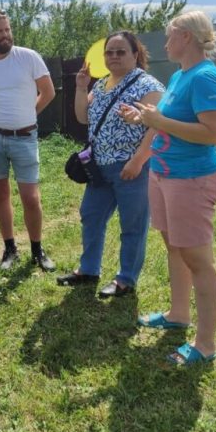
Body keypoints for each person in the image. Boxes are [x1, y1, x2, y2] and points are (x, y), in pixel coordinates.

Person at [121, 11, 216, 366]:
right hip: (166, 176)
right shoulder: (182, 75)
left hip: (191, 180)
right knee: (175, 248)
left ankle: (206, 345)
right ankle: (179, 314)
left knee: (198, 259)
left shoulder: (205, 77)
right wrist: (142, 118)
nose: (165, 43)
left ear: (185, 36)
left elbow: (214, 133)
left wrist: (158, 119)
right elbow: (168, 124)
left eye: (169, 36)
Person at [56, 31, 164, 298]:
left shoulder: (148, 86)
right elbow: (83, 118)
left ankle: (126, 279)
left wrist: (138, 161)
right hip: (100, 168)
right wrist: (81, 87)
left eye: (121, 52)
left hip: (131, 167)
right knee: (91, 216)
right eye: (109, 52)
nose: (114, 57)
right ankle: (89, 269)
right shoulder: (101, 83)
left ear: (135, 55)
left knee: (132, 224)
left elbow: (157, 129)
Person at [0, 9, 56, 271]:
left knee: (30, 197)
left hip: (25, 137)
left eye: (7, 29)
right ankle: (9, 248)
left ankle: (37, 250)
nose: (6, 35)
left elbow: (48, 92)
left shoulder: (28, 58)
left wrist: (29, 113)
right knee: (0, 193)